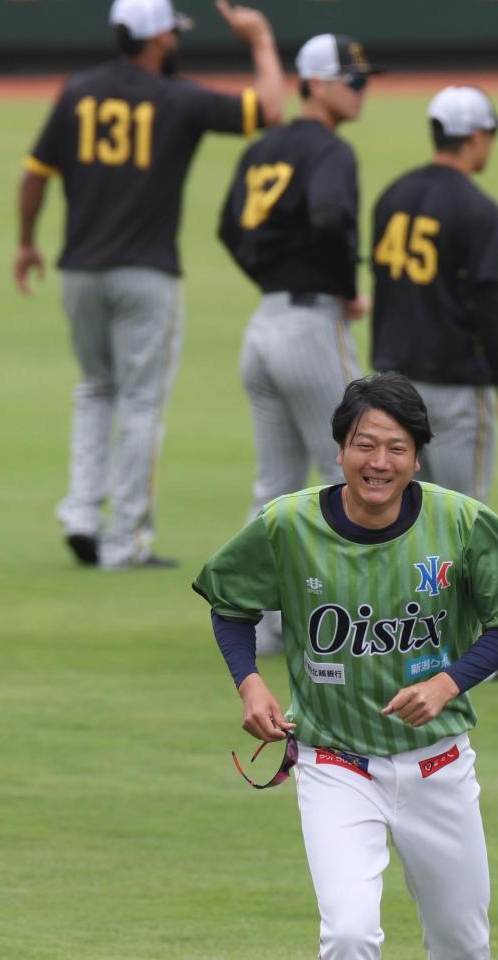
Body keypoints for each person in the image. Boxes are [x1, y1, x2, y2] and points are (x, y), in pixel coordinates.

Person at [194, 371, 498, 959]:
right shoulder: (287, 525)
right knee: (349, 934)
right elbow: (230, 604)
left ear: (417, 457)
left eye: (397, 447)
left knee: (462, 944)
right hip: (335, 762)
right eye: (364, 444)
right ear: (339, 451)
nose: (379, 462)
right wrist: (250, 682)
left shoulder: (461, 523)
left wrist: (450, 681)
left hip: (438, 764)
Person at [14, 0, 283, 569]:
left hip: (79, 269)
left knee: (93, 390)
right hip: (146, 272)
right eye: (173, 33)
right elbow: (270, 109)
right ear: (158, 39)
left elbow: (35, 175)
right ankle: (124, 540)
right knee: (140, 403)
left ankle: (82, 515)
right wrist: (259, 41)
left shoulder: (77, 91)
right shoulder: (177, 96)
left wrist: (26, 241)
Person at [218, 32, 376, 651]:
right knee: (356, 475)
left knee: (275, 486)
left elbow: (229, 228)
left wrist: (273, 274)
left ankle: (252, 624)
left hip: (263, 326)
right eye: (352, 80)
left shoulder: (265, 146)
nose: (361, 91)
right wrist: (345, 285)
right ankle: (347, 622)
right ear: (315, 83)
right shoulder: (331, 151)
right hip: (312, 326)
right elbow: (332, 216)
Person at [370, 86, 498, 503]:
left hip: (391, 385)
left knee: (402, 517)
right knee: (463, 518)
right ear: (475, 137)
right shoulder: (479, 208)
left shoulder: (392, 195)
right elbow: (490, 305)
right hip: (453, 385)